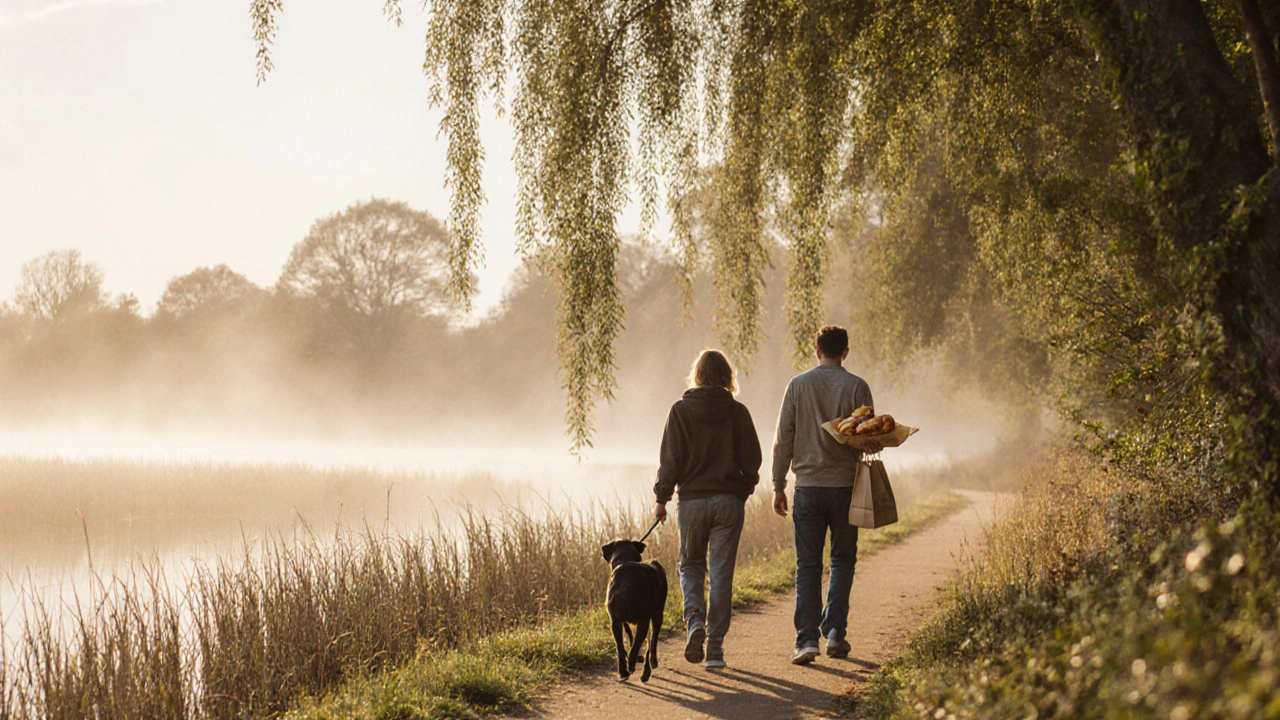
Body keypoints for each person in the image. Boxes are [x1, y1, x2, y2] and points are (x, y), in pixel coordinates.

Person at [771, 325, 882, 665]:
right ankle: (834, 633)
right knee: (843, 561)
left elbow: (783, 438)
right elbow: (869, 435)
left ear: (816, 350)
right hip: (845, 487)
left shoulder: (797, 385)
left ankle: (805, 641)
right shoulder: (857, 386)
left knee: (807, 566)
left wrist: (778, 484)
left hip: (807, 486)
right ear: (845, 352)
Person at [653, 349, 762, 670]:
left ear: (697, 375)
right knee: (721, 575)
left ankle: (695, 622)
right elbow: (752, 461)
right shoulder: (738, 412)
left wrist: (662, 499)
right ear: (728, 376)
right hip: (728, 501)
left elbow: (669, 461)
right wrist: (741, 491)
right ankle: (714, 648)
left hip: (691, 502)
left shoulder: (680, 411)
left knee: (690, 567)